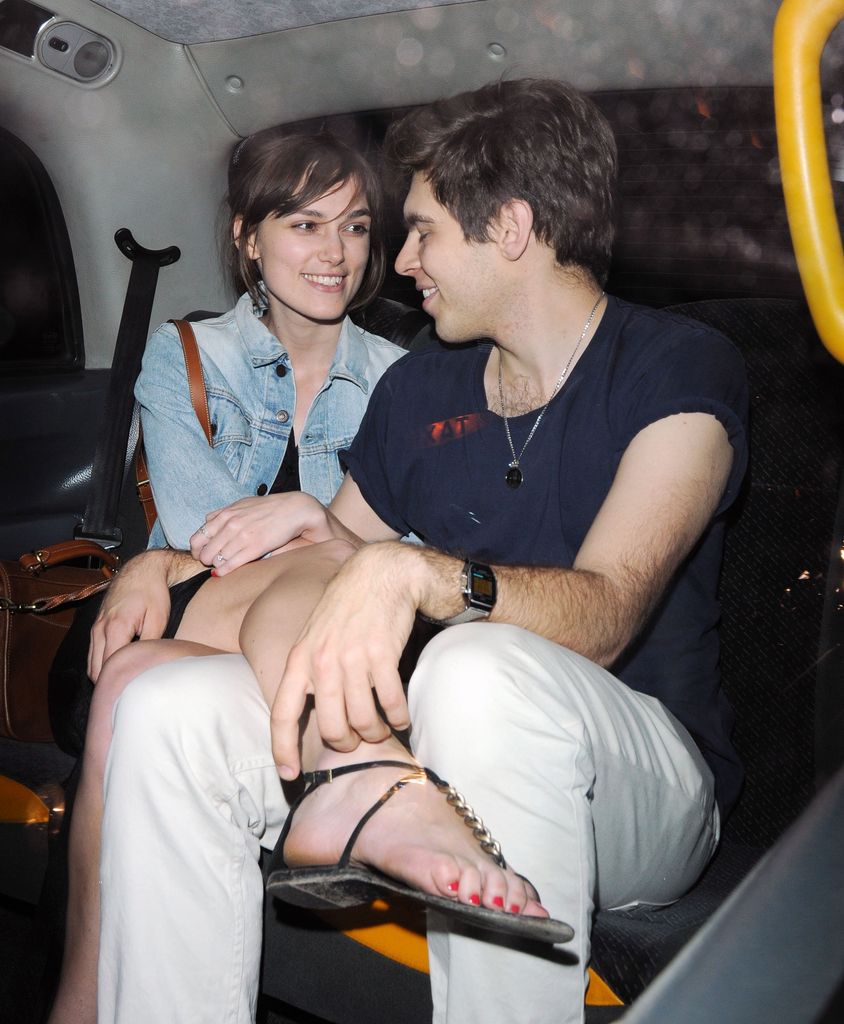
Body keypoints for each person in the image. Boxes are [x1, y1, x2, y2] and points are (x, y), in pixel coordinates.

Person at [92, 78, 748, 1024]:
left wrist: (416, 572)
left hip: (638, 777)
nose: (398, 264)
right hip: (434, 746)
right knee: (167, 706)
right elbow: (326, 560)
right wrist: (167, 565)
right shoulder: (421, 390)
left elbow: (604, 615)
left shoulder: (676, 366)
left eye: (423, 231)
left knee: (477, 669)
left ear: (511, 228)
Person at [47, 126, 406, 1024]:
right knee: (130, 672)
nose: (335, 255)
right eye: (304, 225)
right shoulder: (188, 356)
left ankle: (78, 999)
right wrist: (172, 557)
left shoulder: (402, 381)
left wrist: (312, 526)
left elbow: (389, 553)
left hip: (309, 638)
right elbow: (218, 543)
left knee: (130, 685)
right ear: (247, 237)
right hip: (198, 614)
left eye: (356, 228)